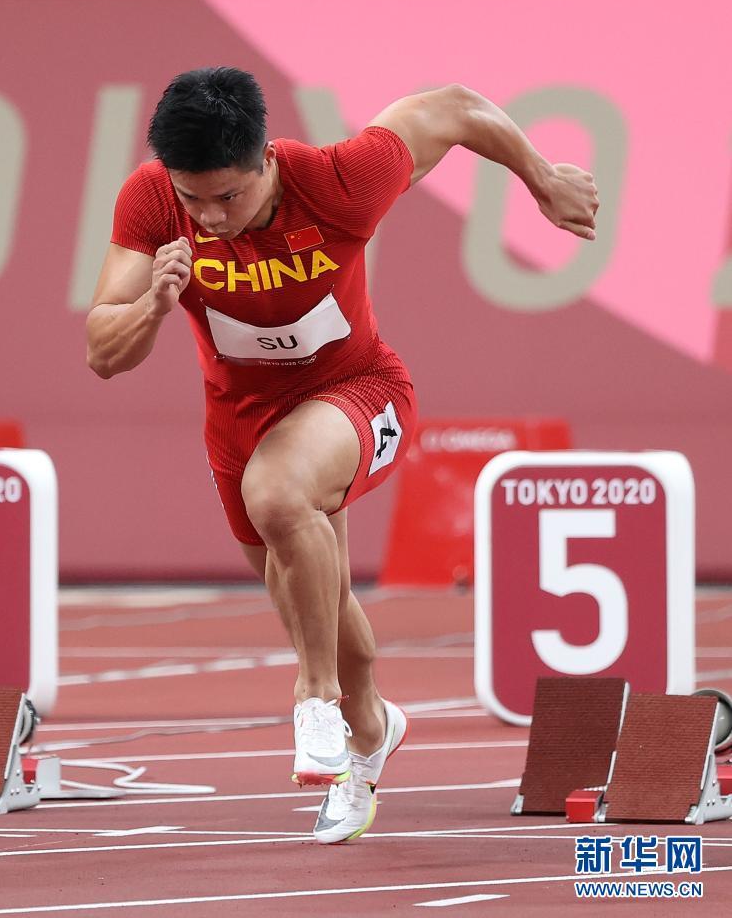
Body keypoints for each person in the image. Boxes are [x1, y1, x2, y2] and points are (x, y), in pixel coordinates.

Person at [86, 67, 598, 845]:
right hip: (239, 420)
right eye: (195, 200)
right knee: (310, 597)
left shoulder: (340, 181)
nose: (211, 217)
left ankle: (315, 698)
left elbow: (453, 109)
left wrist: (541, 178)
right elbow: (102, 351)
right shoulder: (153, 200)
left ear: (266, 161)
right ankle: (371, 726)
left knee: (278, 491)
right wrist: (154, 305)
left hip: (358, 391)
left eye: (229, 197)